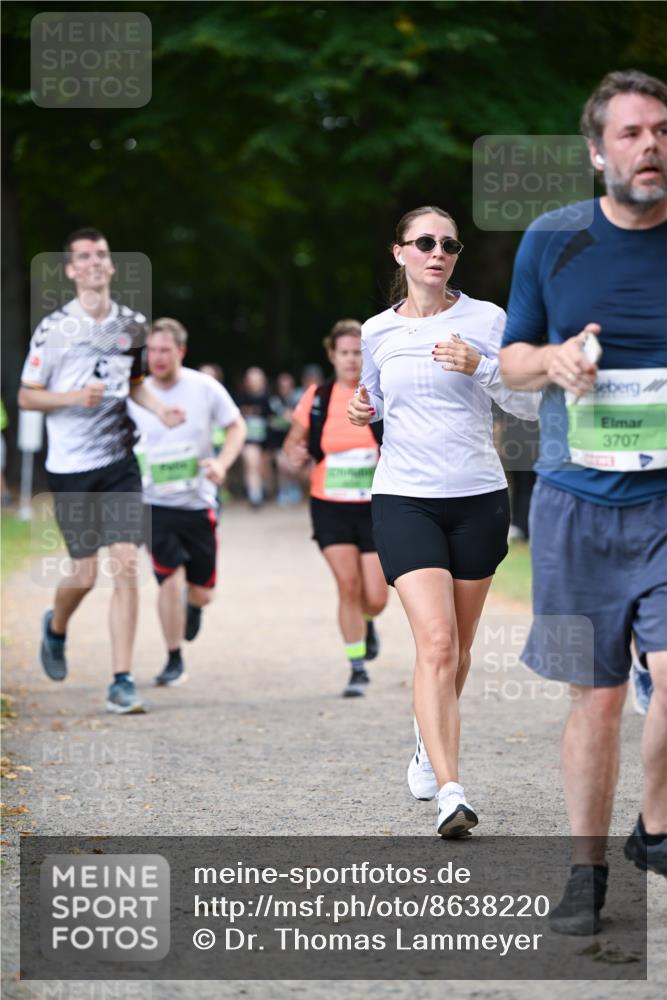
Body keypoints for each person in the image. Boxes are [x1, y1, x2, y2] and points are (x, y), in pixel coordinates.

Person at [499, 70, 667, 931]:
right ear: (596, 150)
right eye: (632, 133)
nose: (651, 146)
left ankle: (657, 824)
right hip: (575, 504)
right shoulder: (552, 240)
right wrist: (555, 362)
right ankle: (587, 872)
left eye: (661, 131)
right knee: (596, 697)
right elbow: (509, 360)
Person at [348, 206, 541, 835]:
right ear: (398, 252)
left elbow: (529, 403)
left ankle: (423, 737)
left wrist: (480, 366)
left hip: (479, 497)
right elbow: (374, 398)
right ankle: (451, 792)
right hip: (405, 498)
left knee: (456, 648)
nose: (438, 251)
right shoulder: (377, 331)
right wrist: (361, 407)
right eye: (424, 242)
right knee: (434, 643)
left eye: (449, 243)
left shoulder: (487, 321)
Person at [18, 228, 185, 714]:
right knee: (85, 574)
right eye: (84, 257)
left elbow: (133, 383)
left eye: (101, 256)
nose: (94, 263)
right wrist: (72, 397)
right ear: (71, 269)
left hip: (118, 463)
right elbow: (28, 395)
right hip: (70, 469)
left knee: (127, 567)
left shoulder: (132, 326)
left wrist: (159, 409)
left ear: (111, 267)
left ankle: (121, 679)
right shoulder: (53, 329)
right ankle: (56, 627)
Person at [129, 319, 246, 686]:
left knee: (202, 590)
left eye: (165, 350)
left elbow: (236, 426)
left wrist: (222, 463)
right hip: (154, 504)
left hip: (198, 503)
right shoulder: (135, 392)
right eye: (152, 350)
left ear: (181, 351)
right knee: (167, 579)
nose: (157, 357)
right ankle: (173, 657)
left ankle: (193, 607)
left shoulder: (204, 387)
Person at [284, 320, 388, 697]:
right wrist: (292, 456)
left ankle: (366, 621)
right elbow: (293, 444)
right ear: (332, 355)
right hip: (330, 506)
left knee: (375, 597)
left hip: (376, 505)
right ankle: (357, 667)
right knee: (347, 585)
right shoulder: (318, 397)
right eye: (344, 353)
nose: (351, 360)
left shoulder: (382, 393)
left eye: (358, 352)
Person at [236, 366, 272, 508]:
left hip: (266, 441)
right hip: (248, 439)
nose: (254, 382)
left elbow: (274, 419)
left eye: (257, 379)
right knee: (252, 464)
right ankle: (254, 495)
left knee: (262, 467)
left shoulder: (269, 399)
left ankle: (262, 489)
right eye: (251, 379)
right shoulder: (241, 398)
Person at [268, 372, 302, 506]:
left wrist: (289, 418)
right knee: (282, 464)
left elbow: (298, 419)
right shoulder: (274, 401)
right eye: (282, 385)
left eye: (287, 385)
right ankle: (285, 490)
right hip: (277, 442)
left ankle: (293, 487)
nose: (285, 388)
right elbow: (270, 421)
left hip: (294, 440)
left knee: (292, 465)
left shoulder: (298, 399)